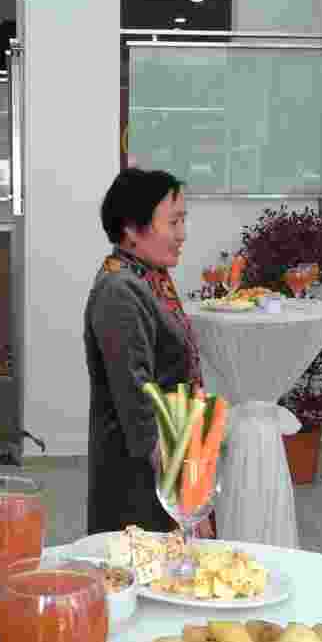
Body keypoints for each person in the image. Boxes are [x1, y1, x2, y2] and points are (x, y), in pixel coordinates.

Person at [84, 168, 203, 535]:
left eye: (183, 220)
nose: (182, 234)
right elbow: (138, 399)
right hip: (140, 477)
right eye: (173, 222)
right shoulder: (120, 290)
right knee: (145, 561)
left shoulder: (147, 277)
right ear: (133, 229)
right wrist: (181, 488)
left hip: (167, 457)